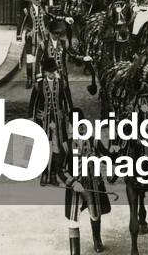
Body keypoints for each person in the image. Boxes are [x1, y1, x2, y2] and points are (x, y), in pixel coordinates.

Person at [60, 108, 111, 254]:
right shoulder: (66, 145)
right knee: (73, 220)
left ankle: (97, 239)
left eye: (82, 124)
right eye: (76, 125)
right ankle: (75, 251)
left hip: (92, 184)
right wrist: (73, 183)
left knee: (95, 214)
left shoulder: (93, 141)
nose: (80, 128)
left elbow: (105, 156)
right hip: (76, 188)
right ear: (71, 126)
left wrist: (113, 153)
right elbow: (60, 170)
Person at [29, 55, 72, 186]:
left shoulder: (62, 84)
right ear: (45, 72)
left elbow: (68, 102)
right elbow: (33, 104)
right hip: (43, 121)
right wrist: (31, 118)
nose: (52, 74)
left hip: (59, 122)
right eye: (49, 71)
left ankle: (53, 174)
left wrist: (70, 118)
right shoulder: (39, 85)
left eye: (53, 71)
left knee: (57, 148)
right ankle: (44, 174)